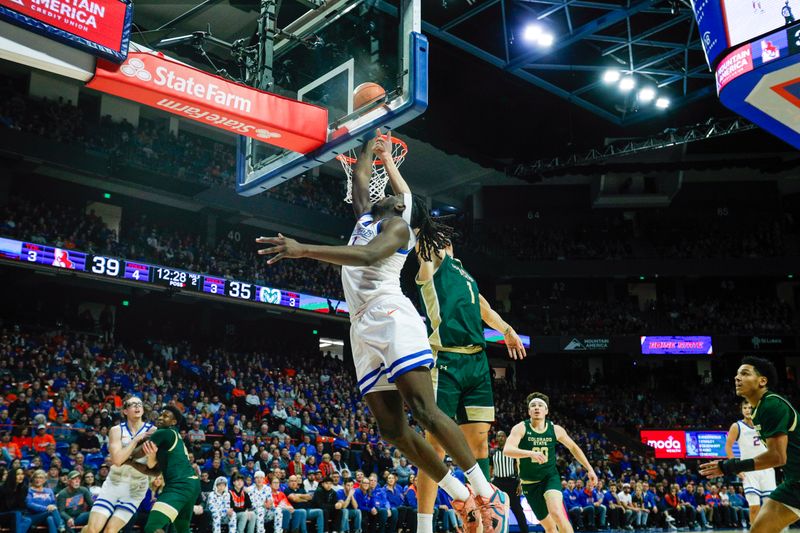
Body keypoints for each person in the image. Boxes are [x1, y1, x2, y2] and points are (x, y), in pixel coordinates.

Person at [256, 131, 504, 533]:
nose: (386, 193)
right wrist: (368, 137)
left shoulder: (399, 230)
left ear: (404, 209)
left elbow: (369, 255)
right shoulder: (367, 218)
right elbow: (358, 182)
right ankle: (459, 495)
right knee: (390, 428)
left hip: (391, 315)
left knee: (423, 409)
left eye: (395, 195)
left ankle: (484, 490)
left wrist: (304, 250)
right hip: (361, 327)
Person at [415, 233, 525, 533]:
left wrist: (507, 329)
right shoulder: (431, 267)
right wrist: (418, 223)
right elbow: (422, 246)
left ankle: (484, 520)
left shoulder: (465, 274)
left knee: (479, 442)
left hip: (477, 362)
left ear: (448, 245)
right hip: (447, 360)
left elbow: (484, 309)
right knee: (434, 447)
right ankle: (423, 527)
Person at [700, 356, 800, 533]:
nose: (737, 378)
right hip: (794, 482)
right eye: (737, 374)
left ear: (762, 381)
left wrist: (729, 466)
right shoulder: (758, 411)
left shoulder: (771, 404)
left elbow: (778, 457)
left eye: (745, 373)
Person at [503, 393, 598, 533]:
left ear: (546, 410)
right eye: (533, 406)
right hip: (529, 483)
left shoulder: (555, 430)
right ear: (529, 411)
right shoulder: (521, 428)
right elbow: (507, 450)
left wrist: (590, 469)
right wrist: (530, 453)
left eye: (540, 405)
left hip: (549, 477)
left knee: (557, 513)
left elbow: (573, 447)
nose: (537, 408)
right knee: (550, 528)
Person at [82, 396, 155, 533]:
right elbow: (117, 460)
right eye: (133, 405)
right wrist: (136, 440)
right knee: (93, 529)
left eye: (139, 404)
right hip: (114, 484)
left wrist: (152, 457)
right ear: (125, 411)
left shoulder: (154, 431)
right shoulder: (116, 430)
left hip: (136, 488)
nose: (137, 407)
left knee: (110, 531)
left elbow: (151, 467)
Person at [125, 405, 201, 533]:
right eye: (160, 414)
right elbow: (154, 472)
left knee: (152, 528)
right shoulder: (168, 441)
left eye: (165, 416)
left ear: (173, 422)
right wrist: (130, 463)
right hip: (192, 484)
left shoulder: (165, 432)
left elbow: (139, 452)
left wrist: (125, 453)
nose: (160, 418)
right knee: (182, 529)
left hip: (180, 485)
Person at [725, 398, 777, 523]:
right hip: (749, 470)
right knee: (754, 507)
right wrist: (735, 468)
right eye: (745, 408)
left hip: (767, 469)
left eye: (750, 408)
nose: (748, 410)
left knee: (770, 508)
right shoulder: (737, 426)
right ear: (741, 410)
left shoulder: (765, 423)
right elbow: (728, 447)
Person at [491, 431, 528, 533]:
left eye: (502, 436)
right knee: (496, 511)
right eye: (498, 436)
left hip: (511, 483)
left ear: (506, 438)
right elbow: (490, 469)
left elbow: (519, 468)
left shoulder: (512, 452)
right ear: (496, 439)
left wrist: (520, 483)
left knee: (518, 510)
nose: (501, 438)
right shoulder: (493, 453)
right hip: (497, 483)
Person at [26, 468, 66, 533]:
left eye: (41, 478)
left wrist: (51, 507)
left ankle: (61, 528)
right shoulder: (29, 491)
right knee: (52, 511)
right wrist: (46, 508)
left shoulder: (49, 491)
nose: (38, 480)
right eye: (36, 477)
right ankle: (62, 527)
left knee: (50, 519)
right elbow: (29, 504)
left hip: (47, 515)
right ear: (33, 479)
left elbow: (54, 504)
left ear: (45, 480)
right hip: (33, 517)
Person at [1, 467, 33, 533]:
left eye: (22, 474)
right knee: (17, 513)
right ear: (12, 476)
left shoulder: (23, 489)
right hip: (3, 515)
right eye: (18, 474)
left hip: (16, 515)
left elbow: (22, 507)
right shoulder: (2, 489)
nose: (21, 476)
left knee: (28, 520)